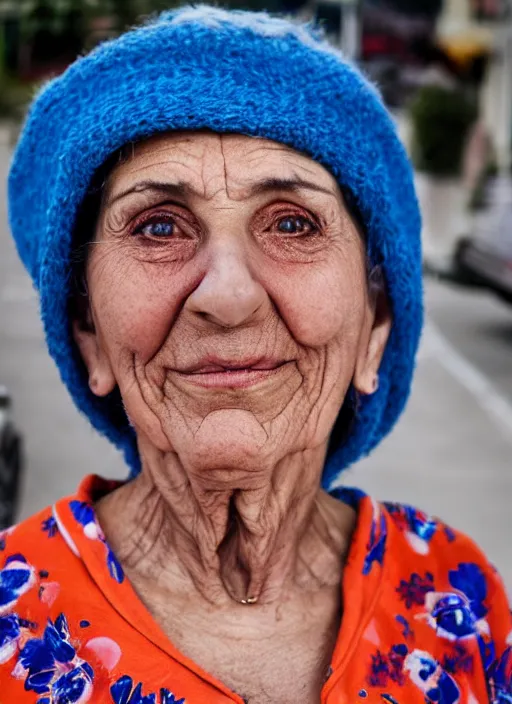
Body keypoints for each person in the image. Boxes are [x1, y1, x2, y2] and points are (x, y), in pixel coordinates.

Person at [2, 6, 510, 703]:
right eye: (158, 227)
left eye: (294, 223)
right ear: (87, 332)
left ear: (376, 326)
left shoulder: (458, 598)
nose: (229, 295)